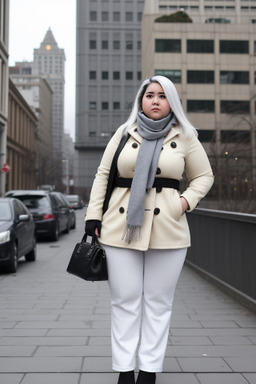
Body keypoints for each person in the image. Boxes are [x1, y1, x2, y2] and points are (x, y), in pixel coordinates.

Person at [85, 75, 214, 384]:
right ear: (140, 101)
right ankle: (125, 370)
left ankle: (150, 369)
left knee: (158, 302)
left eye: (162, 95)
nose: (155, 100)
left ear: (171, 101)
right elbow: (104, 174)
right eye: (149, 95)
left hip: (168, 228)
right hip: (120, 227)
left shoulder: (185, 136)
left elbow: (204, 176)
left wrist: (183, 203)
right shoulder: (123, 133)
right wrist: (93, 217)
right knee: (125, 299)